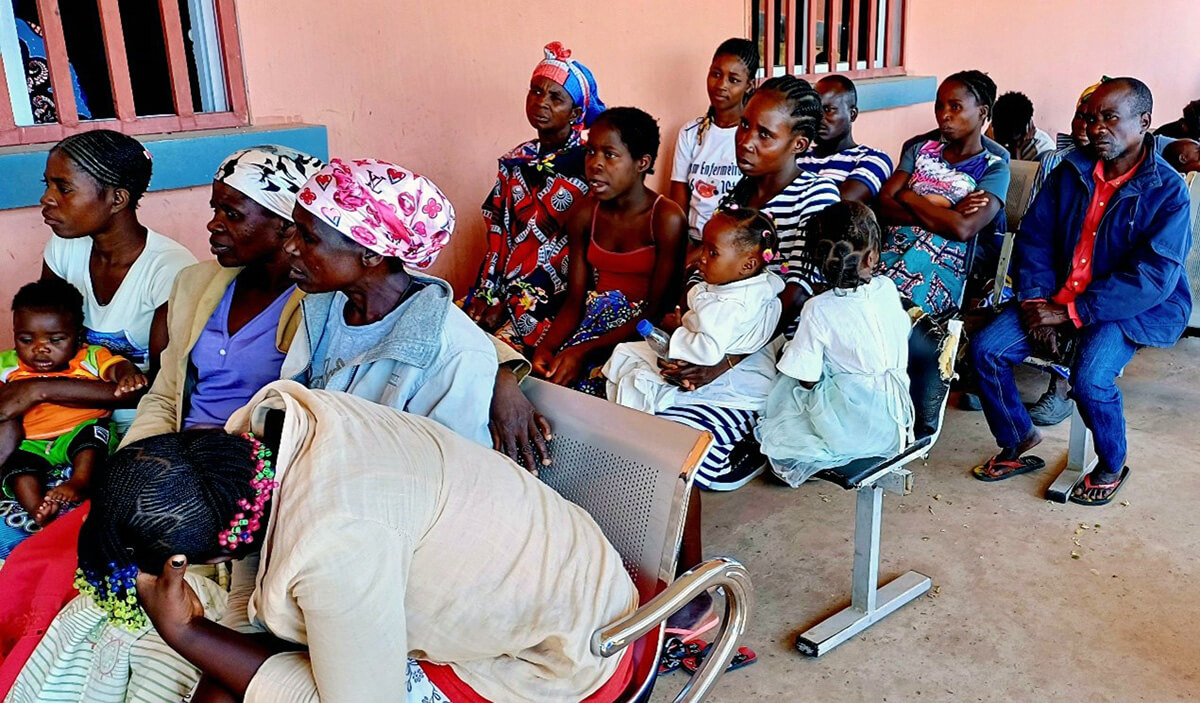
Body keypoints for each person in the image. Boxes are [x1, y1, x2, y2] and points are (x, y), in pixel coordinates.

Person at [71, 382, 639, 702]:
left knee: (231, 676)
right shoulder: (278, 431)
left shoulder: (335, 541)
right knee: (227, 679)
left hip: (560, 656)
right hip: (568, 572)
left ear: (213, 554)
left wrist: (186, 630)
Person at [970, 78, 1193, 506]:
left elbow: (1153, 276)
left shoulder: (1167, 191)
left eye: (1111, 118)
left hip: (1119, 308)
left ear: (1144, 122)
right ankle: (1018, 440)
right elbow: (1034, 238)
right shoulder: (1070, 170)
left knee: (1091, 380)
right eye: (1091, 119)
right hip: (1054, 295)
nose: (1096, 129)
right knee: (986, 350)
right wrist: (1036, 302)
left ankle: (1111, 463)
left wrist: (1072, 313)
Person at [284, 158, 498, 445]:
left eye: (308, 237)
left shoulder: (456, 351)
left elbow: (448, 469)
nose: (290, 245)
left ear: (371, 254)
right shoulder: (323, 308)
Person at [121, 145, 324, 447]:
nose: (214, 224)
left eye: (232, 214)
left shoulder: (320, 303)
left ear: (286, 224)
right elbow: (164, 395)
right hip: (181, 454)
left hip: (259, 465)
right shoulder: (195, 284)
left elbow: (310, 421)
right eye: (215, 209)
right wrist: (138, 456)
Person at [35, 130, 197, 433]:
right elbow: (42, 337)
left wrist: (38, 390)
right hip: (63, 417)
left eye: (64, 188)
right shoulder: (63, 247)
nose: (46, 199)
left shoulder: (169, 270)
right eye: (47, 185)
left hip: (136, 425)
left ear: (117, 199)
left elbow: (163, 389)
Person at [531, 107, 687, 394]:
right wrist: (548, 348)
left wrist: (583, 352)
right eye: (591, 152)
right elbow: (575, 299)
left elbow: (657, 312)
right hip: (594, 323)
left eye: (610, 154)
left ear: (642, 162)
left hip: (640, 334)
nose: (595, 164)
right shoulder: (584, 214)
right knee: (542, 380)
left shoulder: (666, 218)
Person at [463, 41, 605, 355]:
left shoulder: (588, 168)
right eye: (536, 91)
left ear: (576, 112)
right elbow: (498, 234)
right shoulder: (516, 161)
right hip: (505, 286)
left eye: (556, 97)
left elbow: (570, 249)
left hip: (558, 293)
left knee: (496, 353)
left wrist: (515, 299)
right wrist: (488, 294)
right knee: (459, 327)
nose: (541, 102)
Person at [757, 201, 913, 487]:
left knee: (788, 381)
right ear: (872, 257)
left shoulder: (817, 308)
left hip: (856, 425)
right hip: (895, 417)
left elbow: (806, 379)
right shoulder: (888, 289)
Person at [0, 280, 146, 555]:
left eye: (55, 340)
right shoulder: (7, 365)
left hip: (79, 429)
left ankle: (79, 481)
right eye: (26, 339)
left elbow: (115, 367)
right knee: (19, 469)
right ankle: (39, 510)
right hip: (32, 441)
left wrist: (127, 376)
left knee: (92, 438)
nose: (40, 349)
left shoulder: (89, 356)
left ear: (77, 336)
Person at [602, 205, 783, 416]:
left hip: (714, 368)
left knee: (628, 361)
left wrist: (676, 332)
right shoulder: (760, 285)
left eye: (713, 252)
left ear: (747, 265)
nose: (702, 257)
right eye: (703, 247)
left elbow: (707, 351)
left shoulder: (725, 305)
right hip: (725, 356)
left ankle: (625, 423)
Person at [877, 70, 1010, 317]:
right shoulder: (919, 150)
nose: (944, 115)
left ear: (982, 112)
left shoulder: (995, 167)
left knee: (890, 314)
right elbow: (883, 206)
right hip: (890, 249)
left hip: (942, 265)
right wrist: (945, 214)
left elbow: (963, 230)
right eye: (939, 106)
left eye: (955, 107)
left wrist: (908, 197)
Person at [669, 38, 759, 242]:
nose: (721, 85)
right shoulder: (691, 133)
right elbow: (678, 202)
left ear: (749, 85)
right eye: (715, 75)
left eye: (733, 80)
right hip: (694, 241)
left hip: (737, 245)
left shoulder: (755, 136)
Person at [797, 75, 894, 203]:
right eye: (816, 111)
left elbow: (838, 207)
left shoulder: (873, 159)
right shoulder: (797, 156)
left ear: (852, 115)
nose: (819, 118)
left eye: (828, 110)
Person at [991, 91, 1056, 162]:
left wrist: (1018, 152)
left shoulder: (1043, 149)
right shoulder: (999, 127)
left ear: (1027, 127)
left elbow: (1016, 172)